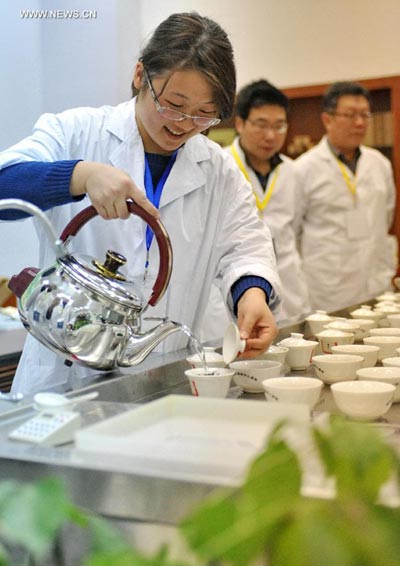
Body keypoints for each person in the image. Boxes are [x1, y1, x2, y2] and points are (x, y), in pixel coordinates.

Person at [0, 12, 282, 395]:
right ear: (139, 76)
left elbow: (244, 245)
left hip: (163, 377)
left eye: (204, 114)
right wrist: (79, 176)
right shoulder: (77, 132)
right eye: (173, 104)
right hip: (63, 384)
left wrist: (252, 293)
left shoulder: (218, 170)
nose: (184, 124)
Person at [200, 79, 310, 341]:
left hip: (288, 286)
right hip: (229, 289)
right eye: (261, 124)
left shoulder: (293, 170)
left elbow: (297, 228)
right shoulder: (218, 166)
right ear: (240, 123)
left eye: (279, 126)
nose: (270, 135)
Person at [293, 81, 397, 312]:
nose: (359, 123)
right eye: (350, 115)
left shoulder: (380, 163)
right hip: (327, 290)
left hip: (375, 283)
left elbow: (386, 217)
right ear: (327, 119)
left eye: (364, 115)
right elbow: (294, 233)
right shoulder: (303, 169)